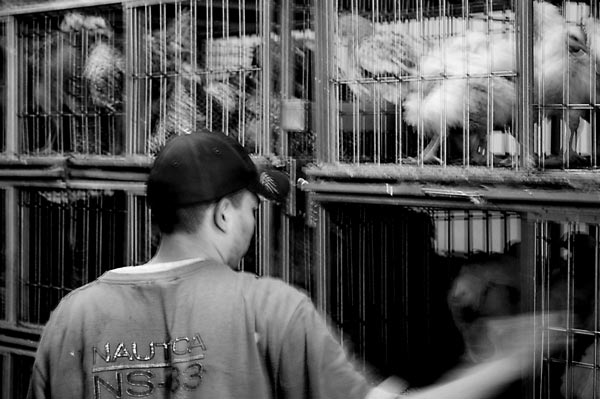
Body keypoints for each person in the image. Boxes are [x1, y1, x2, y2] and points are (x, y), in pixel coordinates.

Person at [28, 130, 555, 399]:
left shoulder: (71, 317)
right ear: (222, 213)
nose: (254, 225)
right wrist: (504, 363)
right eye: (252, 210)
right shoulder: (270, 309)